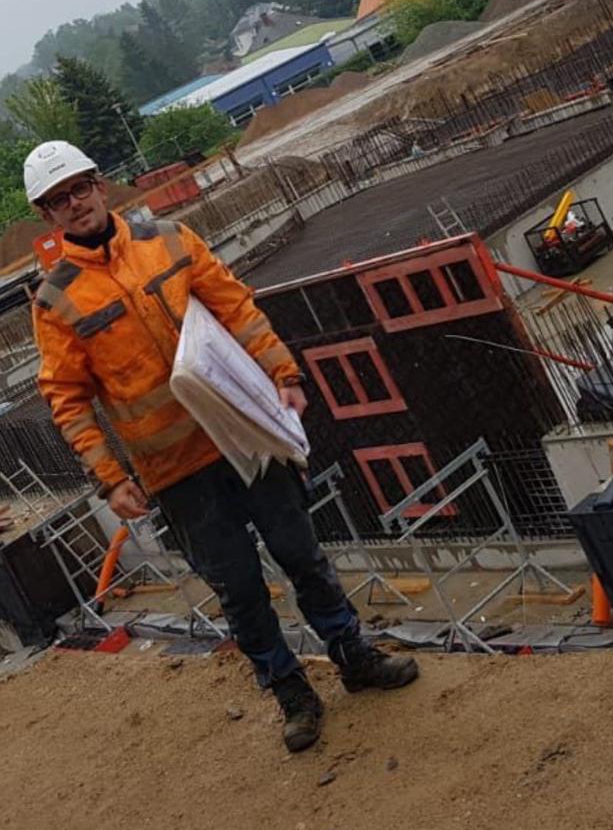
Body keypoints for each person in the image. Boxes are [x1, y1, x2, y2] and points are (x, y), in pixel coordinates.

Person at [26, 141, 418, 752]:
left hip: (244, 434)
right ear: (47, 216)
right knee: (239, 589)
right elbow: (67, 397)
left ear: (100, 186)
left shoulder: (169, 240)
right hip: (176, 472)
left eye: (79, 188)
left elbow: (235, 306)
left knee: (302, 555)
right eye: (58, 200)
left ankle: (354, 656)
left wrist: (283, 372)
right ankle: (291, 692)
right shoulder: (56, 300)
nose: (74, 203)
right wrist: (111, 477)